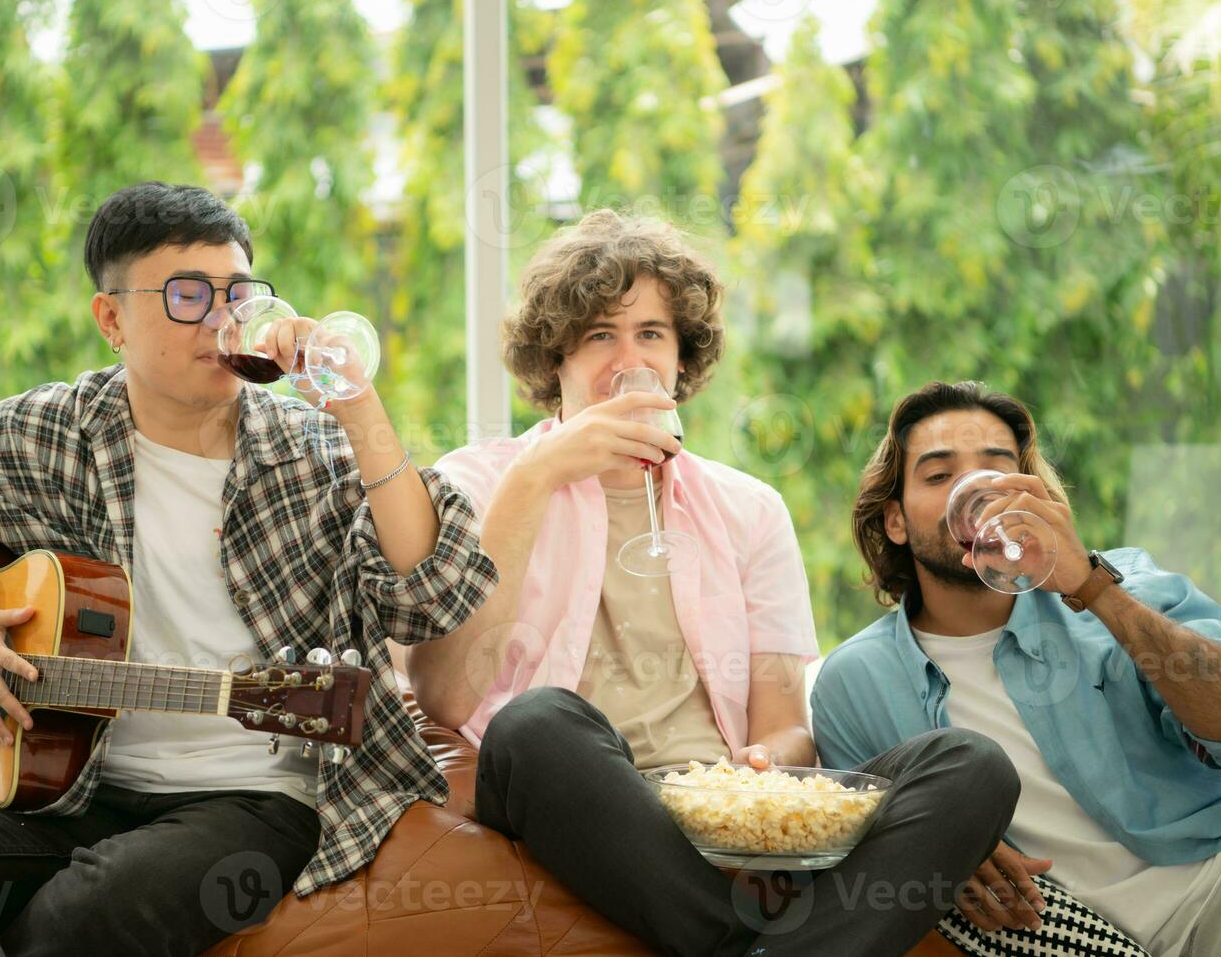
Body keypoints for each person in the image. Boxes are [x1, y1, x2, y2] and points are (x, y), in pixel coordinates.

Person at [0, 181, 497, 956]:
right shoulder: (46, 434)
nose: (223, 320)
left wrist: (357, 406)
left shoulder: (309, 451)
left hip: (257, 799)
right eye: (188, 295)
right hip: (72, 792)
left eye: (240, 293)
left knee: (85, 911)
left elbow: (432, 592)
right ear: (111, 319)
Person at [407, 211, 1020, 956]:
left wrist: (765, 769)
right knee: (536, 722)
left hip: (716, 803)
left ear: (680, 357)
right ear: (554, 356)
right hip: (577, 791)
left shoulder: (748, 509)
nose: (628, 360)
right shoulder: (475, 483)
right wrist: (539, 476)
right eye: (601, 334)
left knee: (971, 765)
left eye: (651, 334)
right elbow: (444, 695)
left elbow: (784, 722)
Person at [812, 379, 1221, 955]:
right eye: (939, 475)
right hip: (1074, 939)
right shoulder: (855, 684)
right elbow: (869, 858)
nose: (979, 492)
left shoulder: (1128, 584)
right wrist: (940, 853)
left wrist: (1092, 587)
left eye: (998, 469)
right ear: (895, 520)